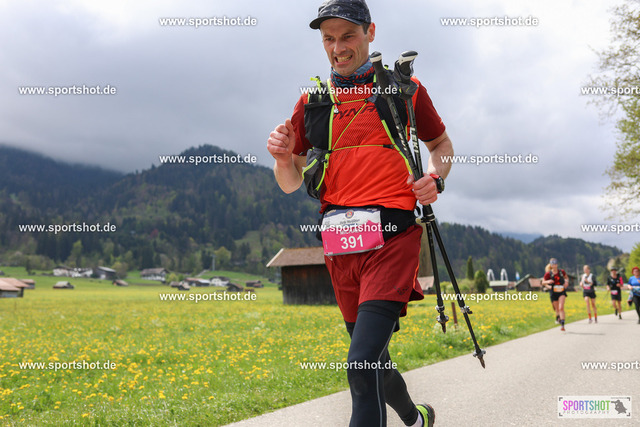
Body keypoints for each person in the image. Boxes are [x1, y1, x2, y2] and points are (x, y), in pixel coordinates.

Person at [267, 1, 452, 425]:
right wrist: (281, 158)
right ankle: (416, 418)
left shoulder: (404, 89)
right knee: (374, 361)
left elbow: (441, 145)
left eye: (348, 36)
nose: (338, 48)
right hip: (340, 248)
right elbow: (291, 181)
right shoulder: (313, 101)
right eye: (328, 39)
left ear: (370, 32)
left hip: (393, 240)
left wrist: (435, 178)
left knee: (360, 363)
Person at [542, 258, 568, 331]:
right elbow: (543, 282)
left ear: (557, 264)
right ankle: (558, 317)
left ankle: (562, 325)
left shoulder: (561, 272)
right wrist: (548, 284)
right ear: (551, 265)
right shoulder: (548, 274)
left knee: (561, 308)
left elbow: (566, 278)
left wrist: (566, 282)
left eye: (555, 263)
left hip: (561, 291)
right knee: (556, 309)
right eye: (553, 264)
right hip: (553, 292)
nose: (554, 265)